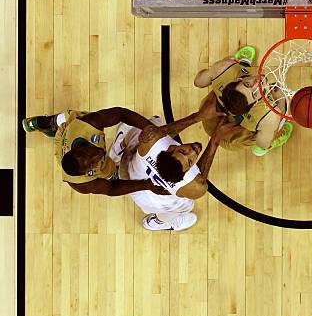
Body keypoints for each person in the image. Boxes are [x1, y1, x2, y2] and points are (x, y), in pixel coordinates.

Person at [111, 93, 241, 231]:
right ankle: (157, 223)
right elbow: (200, 178)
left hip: (129, 176)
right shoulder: (195, 186)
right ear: (187, 173)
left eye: (183, 151)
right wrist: (215, 138)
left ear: (170, 149)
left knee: (151, 126)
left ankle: (116, 152)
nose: (193, 151)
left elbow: (161, 133)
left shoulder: (151, 141)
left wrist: (199, 117)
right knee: (183, 206)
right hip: (152, 201)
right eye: (190, 161)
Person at [22, 107, 167, 196]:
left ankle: (44, 123)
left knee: (65, 119)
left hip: (66, 132)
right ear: (86, 172)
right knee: (109, 172)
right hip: (64, 155)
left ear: (78, 148)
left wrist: (150, 128)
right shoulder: (81, 183)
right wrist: (146, 185)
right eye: (91, 164)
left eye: (89, 154)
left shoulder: (88, 125)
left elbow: (121, 113)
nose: (96, 157)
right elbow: (110, 189)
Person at [193, 45, 293, 156]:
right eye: (255, 95)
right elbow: (262, 143)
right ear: (254, 104)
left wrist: (224, 63)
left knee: (222, 81)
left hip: (208, 117)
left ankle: (243, 64)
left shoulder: (223, 68)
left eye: (247, 84)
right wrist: (281, 102)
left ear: (238, 80)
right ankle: (265, 147)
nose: (257, 84)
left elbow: (198, 82)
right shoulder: (267, 116)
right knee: (274, 123)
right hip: (228, 137)